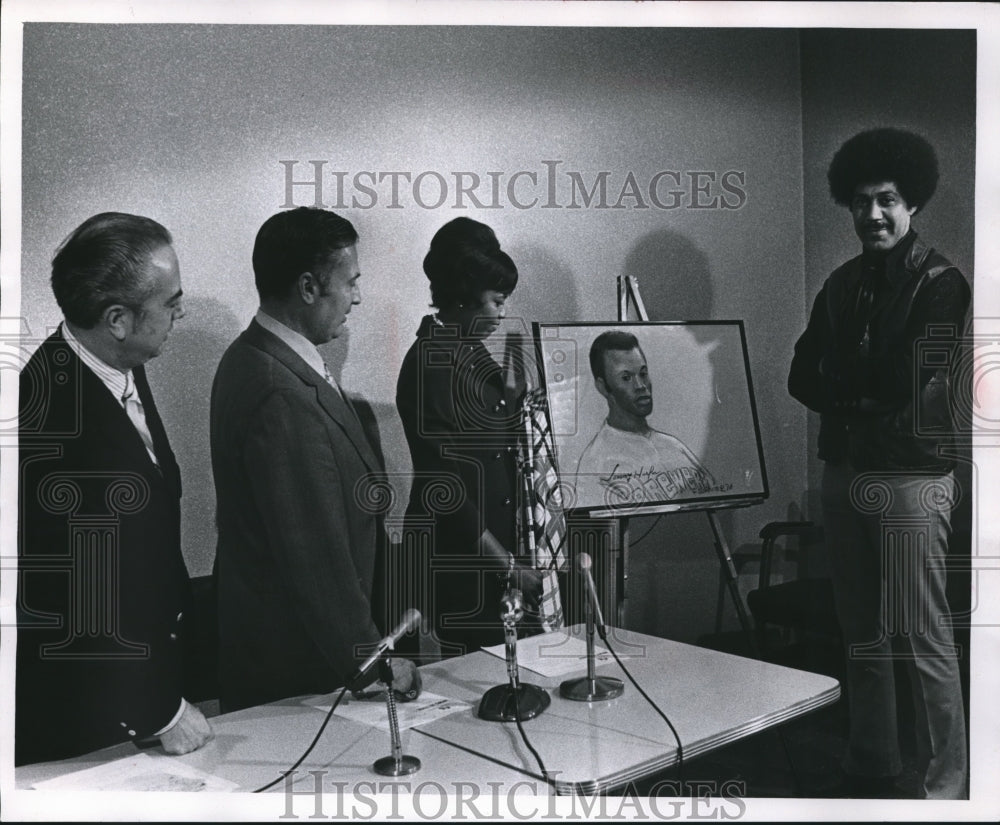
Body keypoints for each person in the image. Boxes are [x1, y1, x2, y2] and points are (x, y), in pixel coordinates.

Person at [788, 128, 970, 799]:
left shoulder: (943, 284)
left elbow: (903, 378)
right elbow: (799, 376)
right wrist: (853, 381)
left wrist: (847, 378)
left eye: (887, 200)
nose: (873, 214)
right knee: (860, 630)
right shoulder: (841, 283)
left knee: (922, 638)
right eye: (862, 201)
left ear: (912, 202)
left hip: (913, 480)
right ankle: (872, 762)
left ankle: (948, 787)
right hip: (846, 473)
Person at [16, 212, 213, 765]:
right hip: (84, 724)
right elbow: (74, 599)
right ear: (118, 319)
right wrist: (160, 711)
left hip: (140, 695)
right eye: (171, 302)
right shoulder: (50, 417)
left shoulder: (118, 365)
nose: (181, 313)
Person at [210, 207, 421, 711]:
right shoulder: (281, 392)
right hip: (299, 670)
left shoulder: (254, 357)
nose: (359, 297)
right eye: (350, 282)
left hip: (288, 655)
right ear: (308, 287)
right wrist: (370, 663)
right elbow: (316, 554)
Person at [396, 217, 547, 657]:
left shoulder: (467, 348)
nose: (501, 314)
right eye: (496, 301)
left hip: (494, 556)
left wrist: (518, 403)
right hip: (464, 561)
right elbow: (448, 487)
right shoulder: (432, 361)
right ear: (462, 295)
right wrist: (509, 567)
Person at [575, 330, 716, 509]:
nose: (641, 386)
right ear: (603, 387)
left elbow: (711, 494)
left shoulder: (673, 445)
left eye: (643, 373)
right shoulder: (596, 461)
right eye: (626, 378)